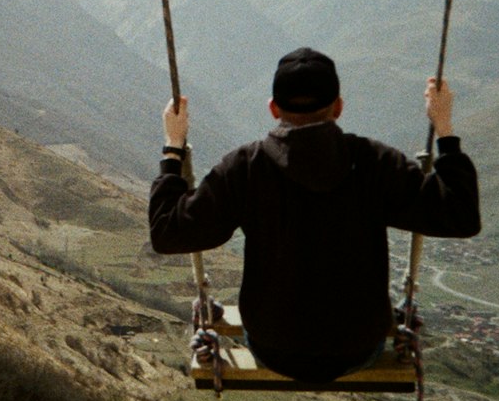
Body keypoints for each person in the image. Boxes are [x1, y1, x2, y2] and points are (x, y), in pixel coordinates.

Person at [149, 47, 480, 383]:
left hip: (274, 347)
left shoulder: (245, 168)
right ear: (338, 107)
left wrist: (173, 148)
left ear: (273, 108)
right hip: (359, 347)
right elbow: (459, 214)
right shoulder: (375, 163)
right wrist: (445, 128)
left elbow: (168, 232)